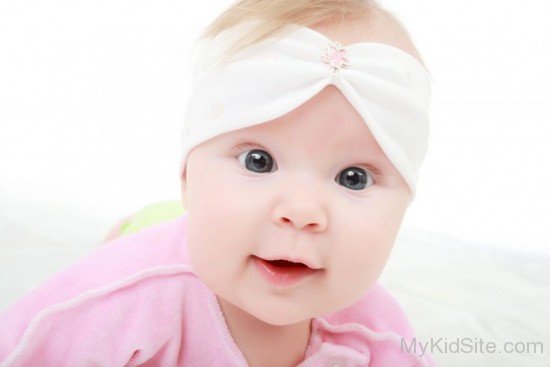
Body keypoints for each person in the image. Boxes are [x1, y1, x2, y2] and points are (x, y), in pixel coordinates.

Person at [0, 0, 435, 366]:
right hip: (155, 246)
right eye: (258, 161)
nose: (302, 210)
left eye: (353, 178)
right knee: (135, 236)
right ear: (188, 176)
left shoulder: (381, 339)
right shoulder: (111, 304)